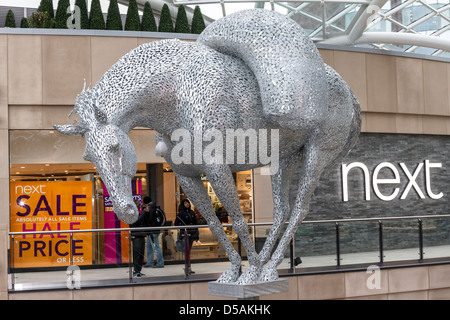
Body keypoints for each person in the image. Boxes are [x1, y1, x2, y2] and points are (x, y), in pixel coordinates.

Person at [175, 198, 199, 274]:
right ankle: (187, 267)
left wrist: (196, 231)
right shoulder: (181, 213)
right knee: (187, 251)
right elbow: (176, 223)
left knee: (189, 251)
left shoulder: (191, 212)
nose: (187, 204)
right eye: (185, 203)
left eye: (188, 203)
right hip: (185, 234)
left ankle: (188, 267)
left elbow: (195, 222)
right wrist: (183, 227)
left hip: (191, 233)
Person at [143, 196, 164, 268]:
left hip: (152, 231)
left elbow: (149, 220)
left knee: (156, 247)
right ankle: (150, 262)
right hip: (153, 230)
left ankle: (160, 263)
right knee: (148, 246)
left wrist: (146, 213)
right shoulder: (155, 207)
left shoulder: (150, 208)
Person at [130, 198, 149, 278]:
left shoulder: (139, 213)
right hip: (136, 236)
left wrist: (146, 213)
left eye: (139, 204)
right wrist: (144, 212)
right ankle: (136, 271)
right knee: (137, 254)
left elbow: (145, 222)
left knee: (141, 254)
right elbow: (137, 221)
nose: (139, 205)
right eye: (137, 204)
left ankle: (139, 270)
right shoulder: (131, 213)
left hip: (141, 235)